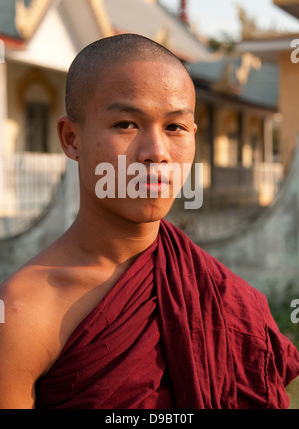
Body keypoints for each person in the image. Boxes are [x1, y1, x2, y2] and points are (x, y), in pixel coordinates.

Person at [0, 34, 298, 409]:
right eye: (126, 124)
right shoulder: (21, 312)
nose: (157, 153)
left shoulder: (222, 296)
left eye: (175, 127)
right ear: (71, 138)